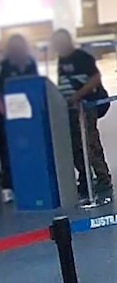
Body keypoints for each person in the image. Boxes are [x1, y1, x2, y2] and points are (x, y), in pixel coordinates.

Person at [52, 29, 113, 203]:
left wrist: (78, 95)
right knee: (75, 145)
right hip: (69, 109)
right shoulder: (62, 60)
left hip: (85, 107)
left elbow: (95, 78)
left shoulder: (82, 58)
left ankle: (103, 177)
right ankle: (85, 177)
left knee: (90, 142)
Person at [0, 35, 38, 204]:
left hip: (26, 116)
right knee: (7, 152)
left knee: (27, 150)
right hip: (6, 115)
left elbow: (36, 84)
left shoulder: (30, 63)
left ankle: (28, 182)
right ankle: (8, 187)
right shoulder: (4, 68)